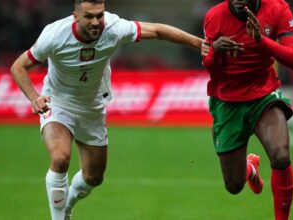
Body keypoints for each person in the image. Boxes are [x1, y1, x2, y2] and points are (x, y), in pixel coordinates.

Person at [10, 1, 203, 219]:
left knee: (94, 177)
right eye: (89, 16)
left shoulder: (114, 27)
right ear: (75, 16)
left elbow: (157, 30)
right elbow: (18, 66)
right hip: (58, 102)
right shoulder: (54, 35)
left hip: (92, 107)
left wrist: (200, 44)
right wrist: (34, 97)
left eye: (99, 15)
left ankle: (68, 204)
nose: (95, 22)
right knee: (61, 158)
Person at [201, 0, 293, 219]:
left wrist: (261, 40)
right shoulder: (214, 16)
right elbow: (210, 66)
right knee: (234, 185)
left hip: (263, 94)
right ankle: (251, 169)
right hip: (227, 101)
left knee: (281, 154)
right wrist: (215, 51)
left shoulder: (278, 8)